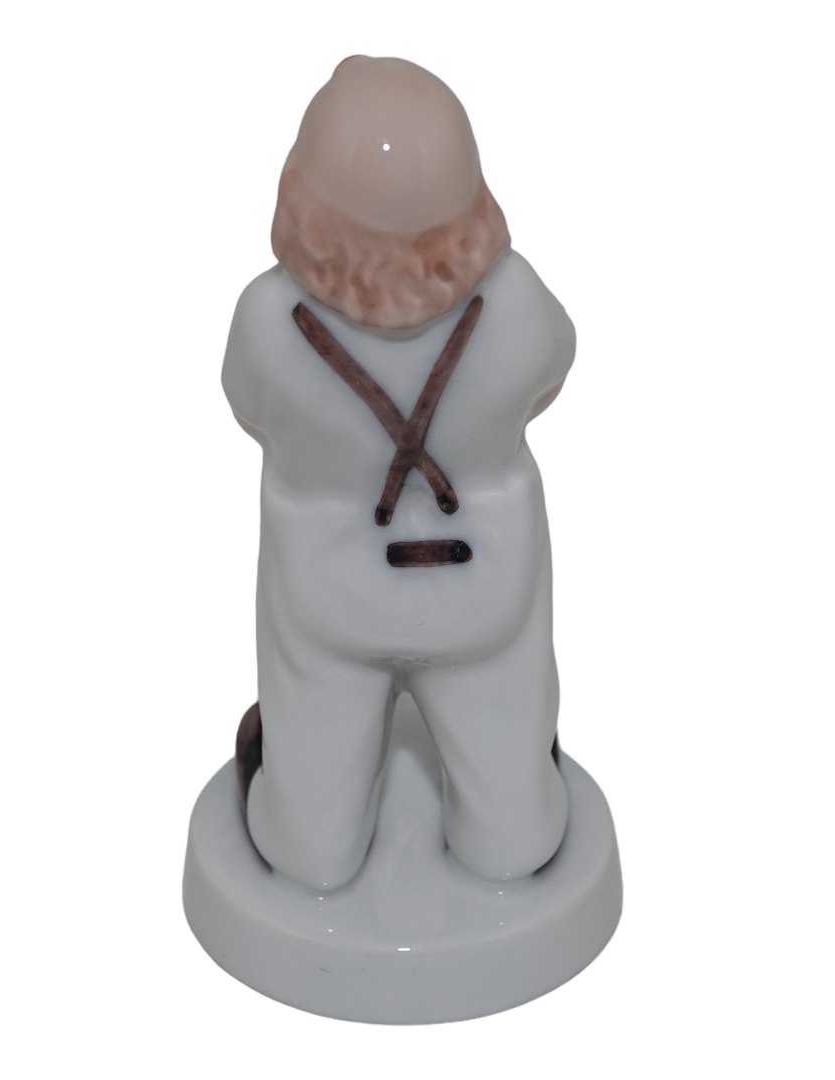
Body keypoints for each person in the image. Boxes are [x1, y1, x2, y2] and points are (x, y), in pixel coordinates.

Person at [221, 56, 576, 891]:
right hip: (483, 584)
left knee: (308, 842)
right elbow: (551, 376)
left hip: (329, 592)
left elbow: (249, 408)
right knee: (514, 823)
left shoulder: (267, 322)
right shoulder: (518, 302)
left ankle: (306, 829)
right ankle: (514, 811)